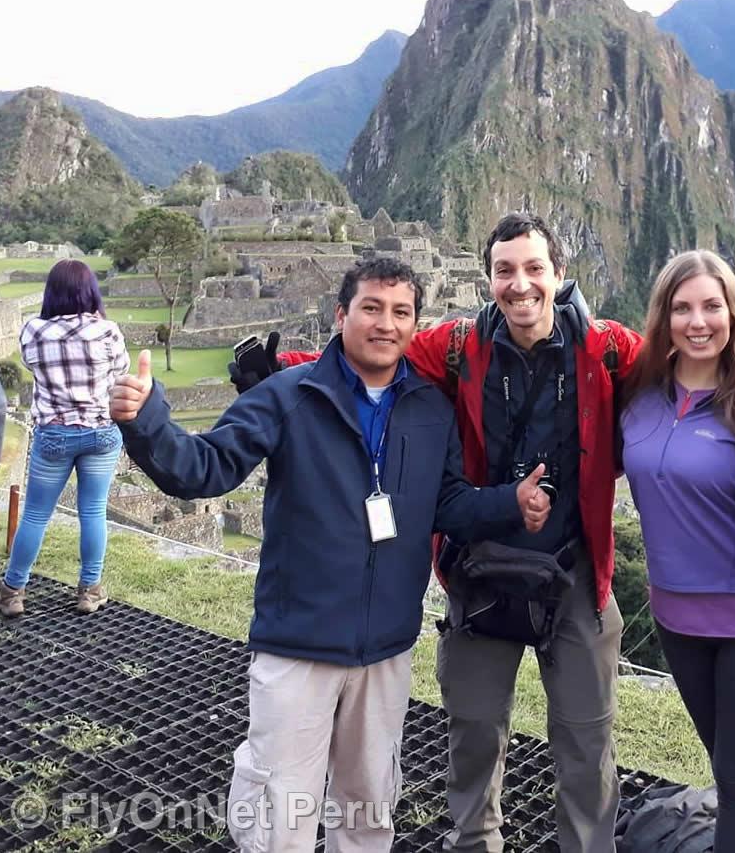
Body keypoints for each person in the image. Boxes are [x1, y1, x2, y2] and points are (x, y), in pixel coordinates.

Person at [110, 257, 552, 853]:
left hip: (386, 651)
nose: (385, 324)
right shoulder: (290, 397)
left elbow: (445, 504)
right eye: (371, 308)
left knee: (369, 808)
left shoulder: (428, 409)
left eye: (401, 313)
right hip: (299, 645)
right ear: (342, 314)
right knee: (280, 815)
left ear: (415, 326)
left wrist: (508, 502)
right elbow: (204, 468)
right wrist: (148, 423)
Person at [272, 213, 642, 853]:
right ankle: (476, 844)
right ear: (488, 277)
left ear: (558, 274)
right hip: (483, 572)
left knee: (586, 740)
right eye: (505, 270)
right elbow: (367, 356)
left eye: (533, 269)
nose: (519, 284)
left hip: (576, 573)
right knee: (473, 733)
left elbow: (688, 373)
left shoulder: (605, 349)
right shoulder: (457, 347)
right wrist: (281, 369)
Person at [619, 250, 735, 853]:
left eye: (711, 306)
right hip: (676, 618)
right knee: (726, 771)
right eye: (682, 308)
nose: (698, 322)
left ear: (733, 313)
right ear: (663, 317)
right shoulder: (640, 396)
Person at [0, 260, 128, 618]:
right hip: (100, 432)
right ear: (90, 292)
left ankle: (12, 592)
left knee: (36, 514)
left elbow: (31, 363)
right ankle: (89, 590)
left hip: (54, 433)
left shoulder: (34, 331)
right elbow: (121, 371)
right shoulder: (107, 332)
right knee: (93, 511)